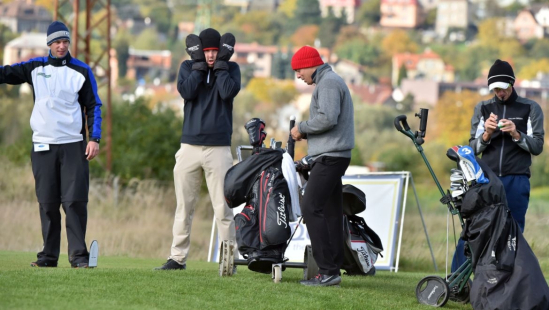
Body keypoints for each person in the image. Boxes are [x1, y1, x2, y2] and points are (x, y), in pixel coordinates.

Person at [0, 21, 102, 268]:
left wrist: (94, 139)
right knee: (47, 202)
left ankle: (79, 257)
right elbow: (6, 73)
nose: (61, 46)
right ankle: (48, 257)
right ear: (49, 44)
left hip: (73, 145)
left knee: (74, 202)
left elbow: (94, 106)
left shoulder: (82, 71)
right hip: (43, 145)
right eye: (57, 42)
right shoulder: (35, 67)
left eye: (65, 41)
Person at [155, 28, 240, 270]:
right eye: (207, 51)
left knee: (223, 208)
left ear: (221, 51)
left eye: (215, 51)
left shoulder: (231, 69)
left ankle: (229, 260)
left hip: (219, 148)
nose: (211, 55)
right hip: (189, 146)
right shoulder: (187, 67)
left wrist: (221, 65)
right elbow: (187, 91)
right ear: (200, 51)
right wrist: (200, 67)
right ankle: (177, 258)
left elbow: (227, 92)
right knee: (184, 206)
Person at [452, 59, 545, 271]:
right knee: (473, 229)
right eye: (494, 89)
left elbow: (538, 146)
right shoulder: (482, 108)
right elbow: (473, 148)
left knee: (512, 234)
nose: (499, 93)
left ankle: (507, 286)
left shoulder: (530, 108)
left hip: (517, 180)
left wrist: (515, 133)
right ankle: (458, 284)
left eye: (502, 88)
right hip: (486, 180)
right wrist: (487, 133)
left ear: (512, 84)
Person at [290, 46, 355, 286]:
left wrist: (302, 128)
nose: (298, 75)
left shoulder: (327, 83)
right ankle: (333, 268)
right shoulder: (329, 81)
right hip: (333, 155)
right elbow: (330, 122)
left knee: (310, 207)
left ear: (310, 65)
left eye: (298, 70)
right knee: (330, 212)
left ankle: (327, 271)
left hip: (330, 158)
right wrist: (307, 136)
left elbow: (328, 118)